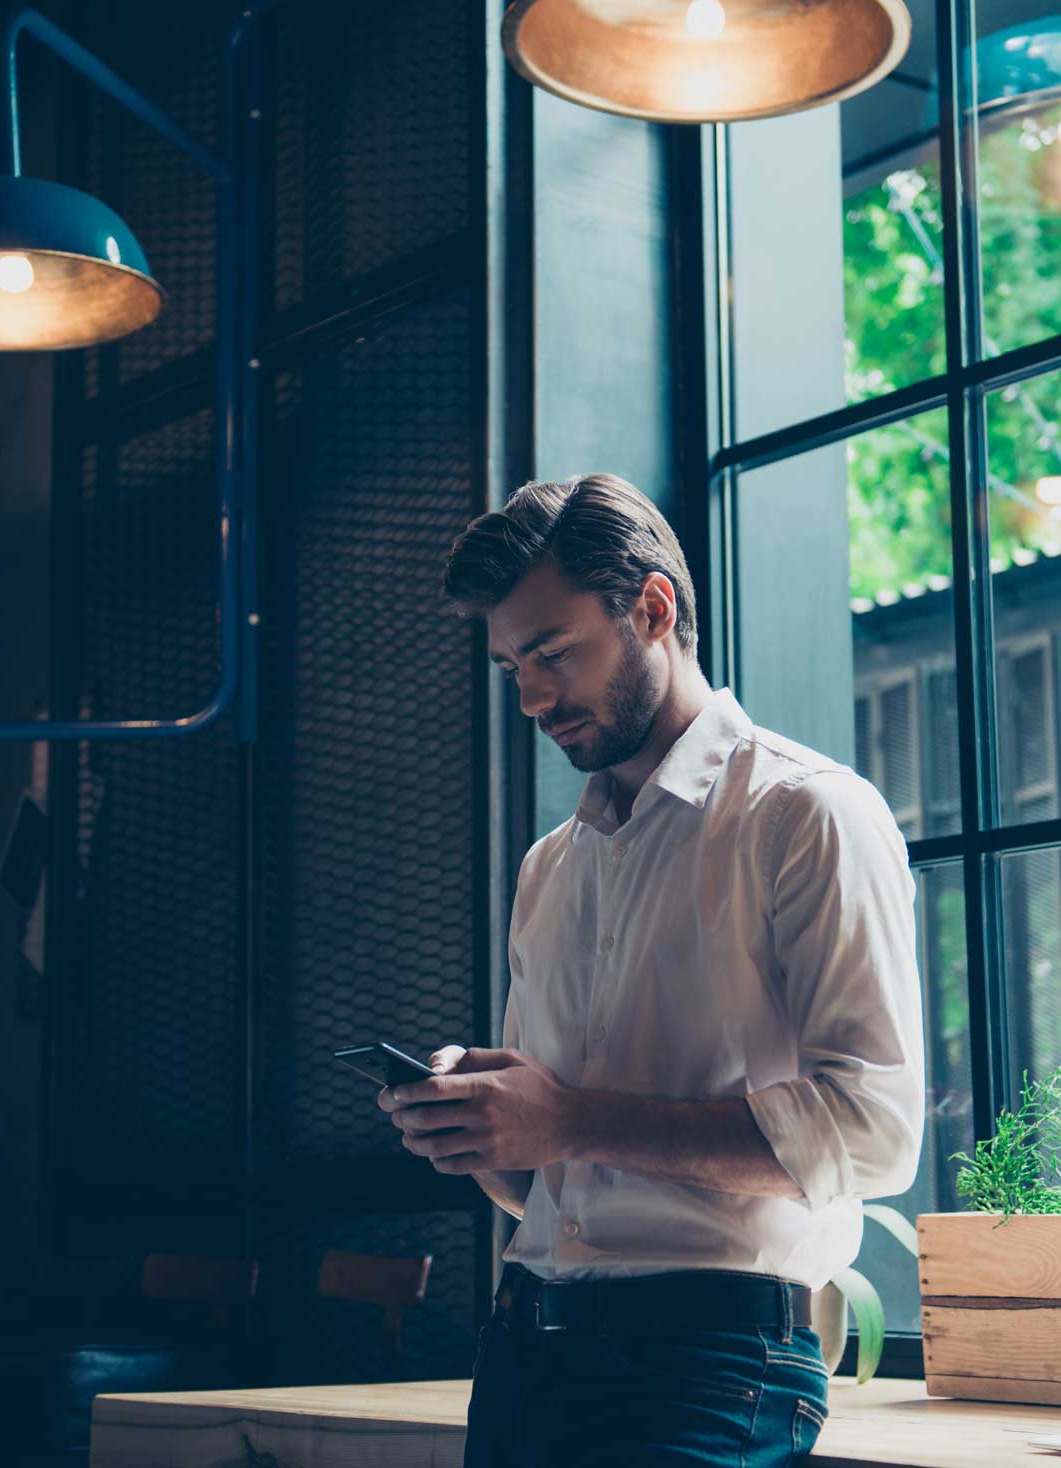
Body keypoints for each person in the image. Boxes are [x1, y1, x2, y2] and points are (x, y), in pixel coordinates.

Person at [377, 473, 925, 1467]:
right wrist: (488, 1128)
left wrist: (572, 1117)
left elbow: (875, 1133)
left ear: (653, 610)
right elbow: (560, 1173)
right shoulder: (551, 865)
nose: (532, 696)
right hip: (521, 1350)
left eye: (551, 652)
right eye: (511, 667)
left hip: (707, 1362)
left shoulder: (808, 814)